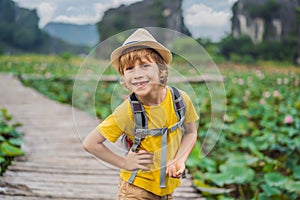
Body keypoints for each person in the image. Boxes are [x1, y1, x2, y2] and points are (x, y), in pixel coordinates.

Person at [83, 28, 199, 200]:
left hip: (167, 190)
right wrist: (124, 163)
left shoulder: (180, 100)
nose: (137, 74)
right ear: (123, 78)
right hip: (136, 188)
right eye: (129, 69)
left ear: (162, 70)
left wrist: (180, 159)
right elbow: (90, 143)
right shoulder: (127, 111)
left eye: (145, 65)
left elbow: (191, 132)